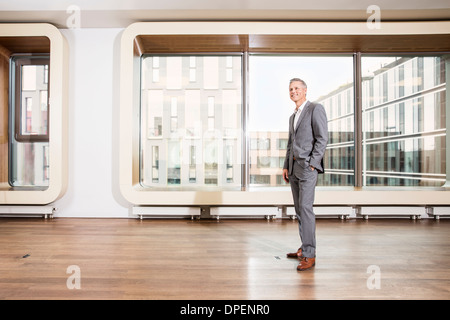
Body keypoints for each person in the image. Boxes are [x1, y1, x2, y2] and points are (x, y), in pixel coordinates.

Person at [283, 78, 328, 271]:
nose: (293, 91)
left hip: (307, 169)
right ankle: (304, 248)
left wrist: (312, 164)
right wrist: (286, 166)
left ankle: (310, 254)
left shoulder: (315, 109)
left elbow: (322, 138)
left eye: (296, 89)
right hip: (293, 169)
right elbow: (290, 144)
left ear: (305, 90)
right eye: (291, 89)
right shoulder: (293, 117)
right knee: (300, 211)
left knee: (306, 210)